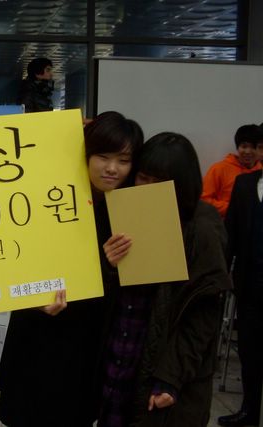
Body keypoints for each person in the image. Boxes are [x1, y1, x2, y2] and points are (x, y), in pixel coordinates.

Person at [0, 111, 144, 426]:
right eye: (102, 156)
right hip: (39, 333)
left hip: (88, 343)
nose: (112, 168)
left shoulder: (131, 212)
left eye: (123, 160)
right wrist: (31, 298)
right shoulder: (48, 197)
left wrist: (113, 267)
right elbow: (14, 262)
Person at [100, 132, 230, 427]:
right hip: (123, 356)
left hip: (164, 372)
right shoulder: (126, 214)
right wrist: (110, 265)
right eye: (143, 178)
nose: (148, 188)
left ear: (182, 184)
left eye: (160, 182)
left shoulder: (201, 229)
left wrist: (170, 378)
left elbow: (202, 316)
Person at [217, 167, 263, 427]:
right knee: (249, 350)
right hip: (249, 284)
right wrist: (221, 277)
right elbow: (231, 232)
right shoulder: (244, 184)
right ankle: (250, 410)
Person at [201, 124, 263, 218]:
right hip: (224, 223)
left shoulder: (260, 170)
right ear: (237, 147)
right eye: (244, 146)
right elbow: (204, 200)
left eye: (253, 147)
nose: (248, 151)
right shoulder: (219, 169)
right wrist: (232, 209)